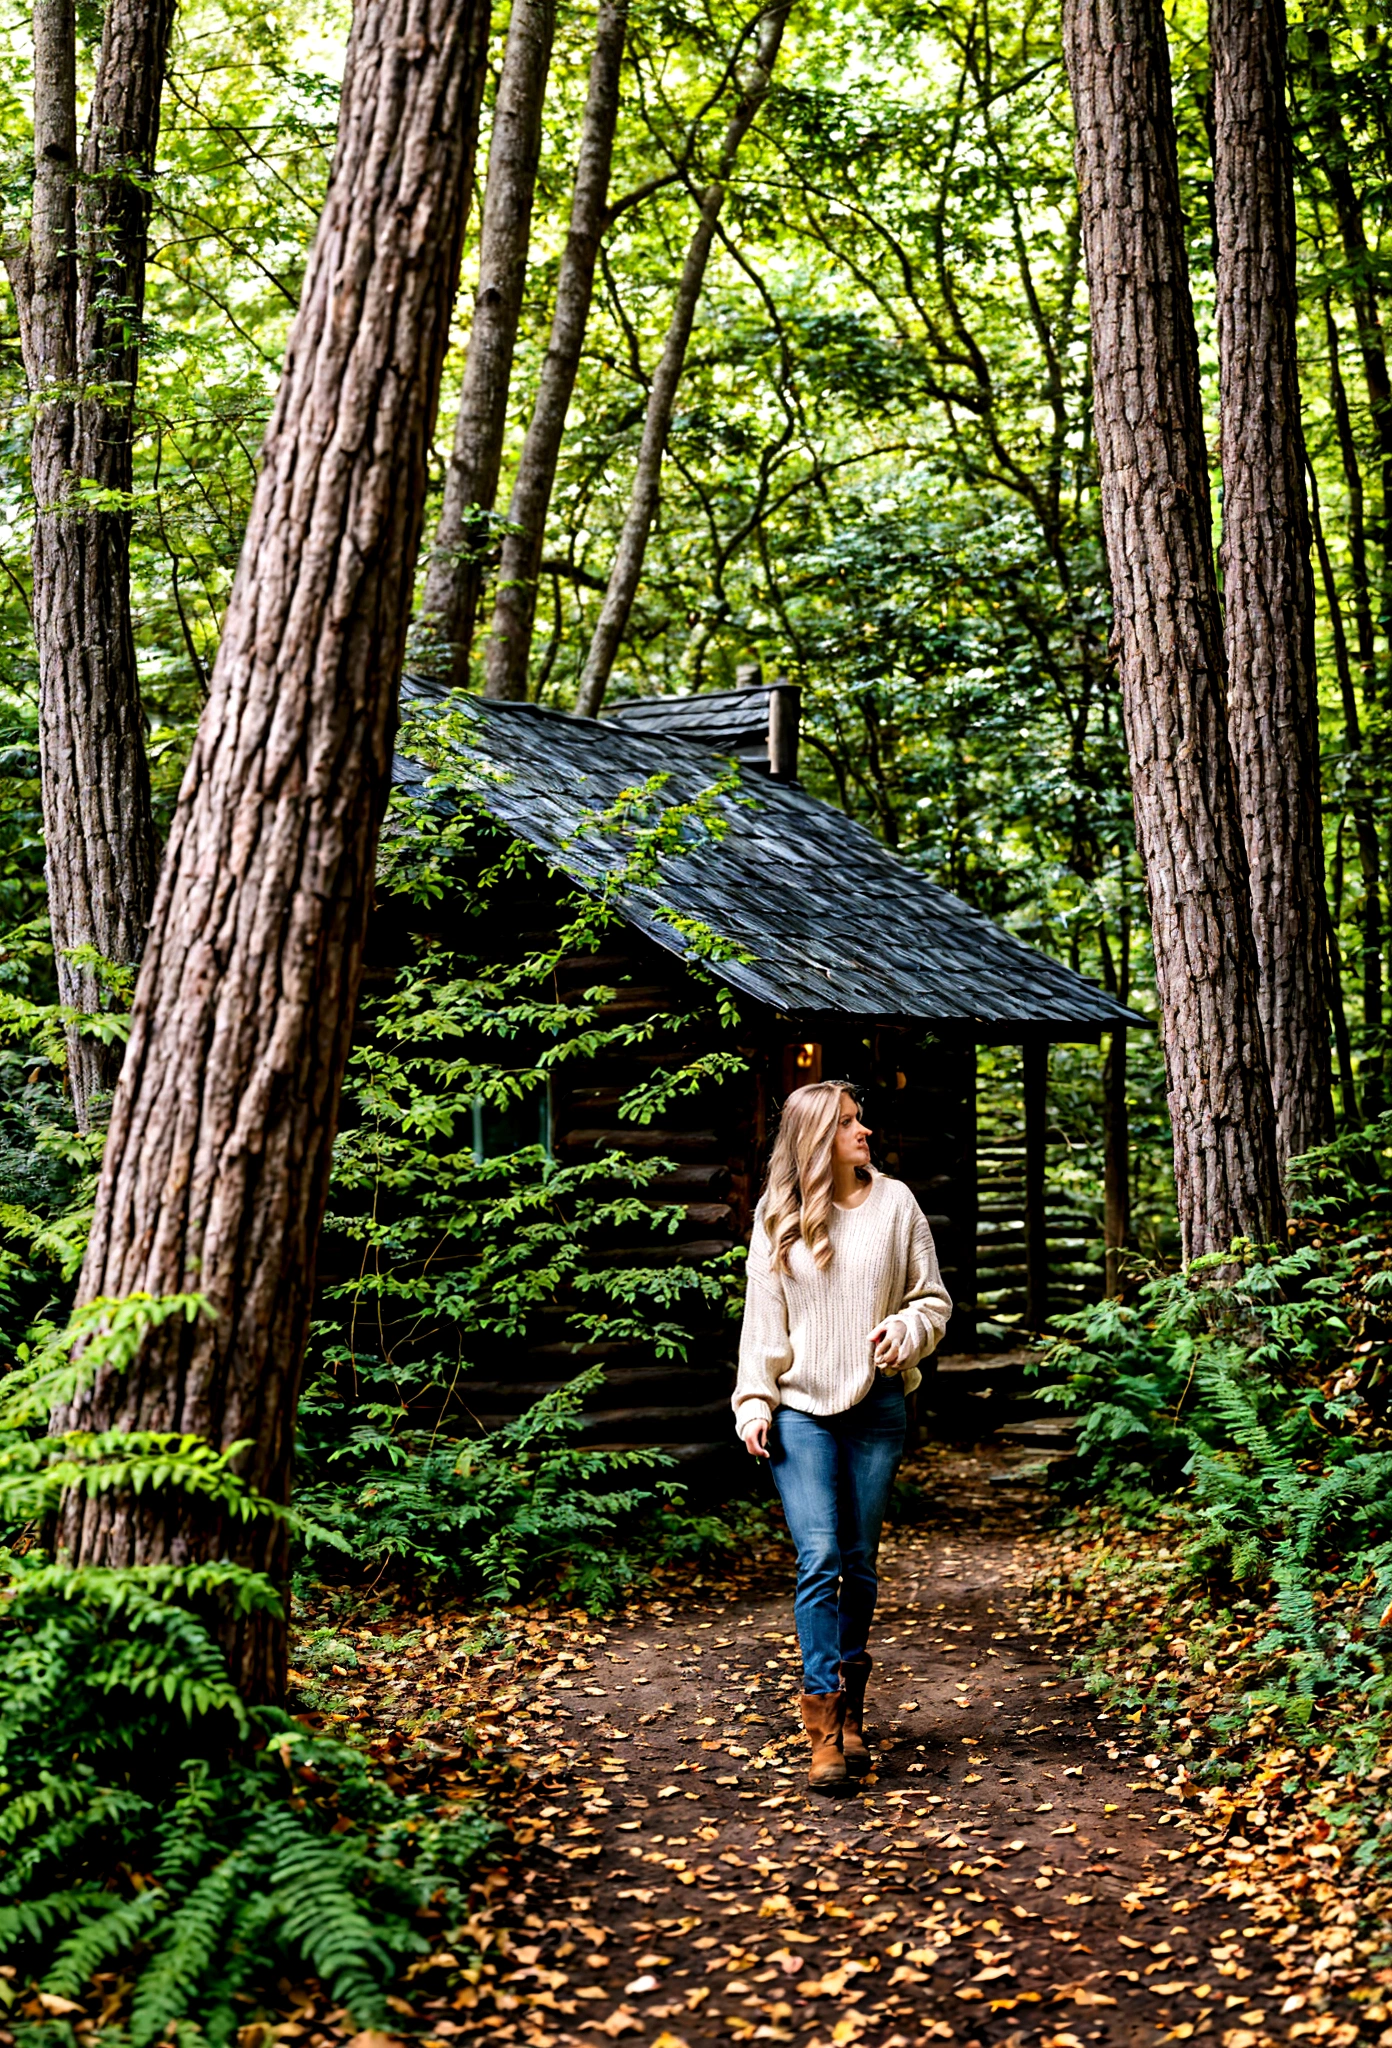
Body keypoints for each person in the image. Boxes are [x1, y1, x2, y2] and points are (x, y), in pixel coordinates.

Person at [733, 1080, 952, 1790]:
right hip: (799, 1411)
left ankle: (853, 1715)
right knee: (819, 1556)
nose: (864, 1132)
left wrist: (906, 1329)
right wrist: (754, 1405)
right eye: (849, 1123)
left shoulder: (896, 1204)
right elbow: (761, 1333)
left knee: (858, 1562)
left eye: (861, 1120)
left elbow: (933, 1300)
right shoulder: (777, 1217)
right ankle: (823, 1729)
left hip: (877, 1406)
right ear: (816, 1137)